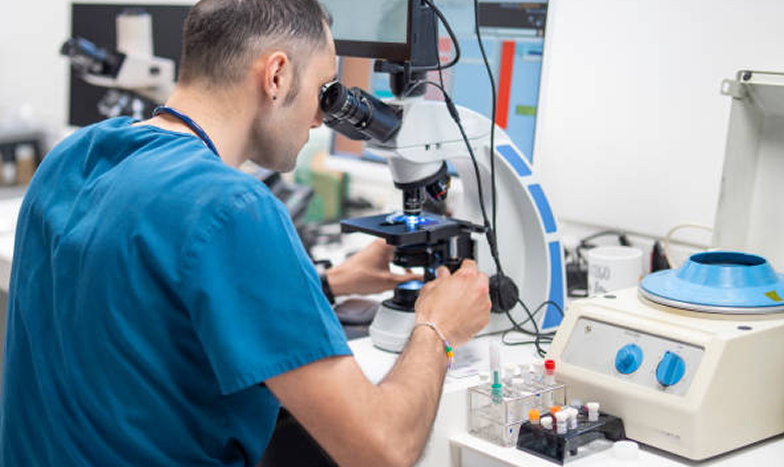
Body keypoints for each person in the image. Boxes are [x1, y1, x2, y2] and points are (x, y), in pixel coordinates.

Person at [0, 0, 492, 466]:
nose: (321, 117)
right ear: (276, 76)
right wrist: (438, 328)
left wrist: (328, 283)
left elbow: (139, 301)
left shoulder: (75, 155)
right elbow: (382, 449)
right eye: (323, 89)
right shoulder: (233, 208)